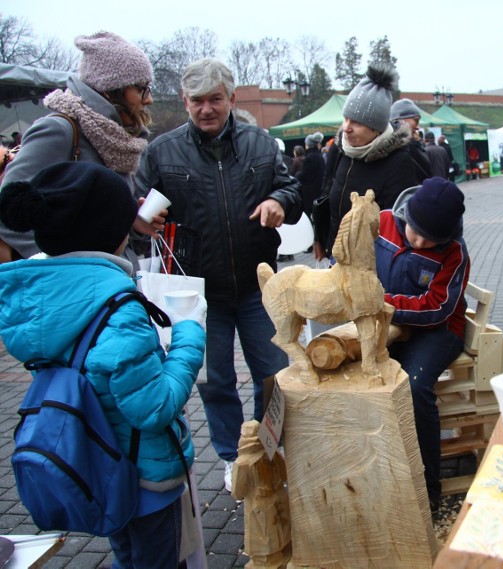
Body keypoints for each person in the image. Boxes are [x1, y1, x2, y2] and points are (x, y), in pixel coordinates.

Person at [0, 161, 206, 568]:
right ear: (109, 232)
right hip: (144, 477)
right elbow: (153, 407)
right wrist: (188, 334)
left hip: (96, 467)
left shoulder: (38, 300)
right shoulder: (118, 306)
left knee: (127, 555)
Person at [134, 58, 302, 493]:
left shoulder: (260, 144)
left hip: (256, 286)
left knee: (274, 370)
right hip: (195, 291)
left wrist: (280, 202)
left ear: (230, 98)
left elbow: (291, 190)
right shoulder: (162, 151)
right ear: (185, 102)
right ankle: (232, 455)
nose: (206, 108)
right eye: (197, 101)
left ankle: (272, 445)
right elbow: (136, 204)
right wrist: (142, 218)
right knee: (215, 379)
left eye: (215, 99)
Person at [0, 31, 163, 264]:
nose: (148, 99)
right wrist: (59, 263)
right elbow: (8, 211)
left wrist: (129, 221)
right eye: (141, 88)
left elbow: (88, 224)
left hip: (110, 279)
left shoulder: (115, 138)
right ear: (110, 88)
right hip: (72, 290)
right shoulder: (60, 130)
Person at [374, 177, 470, 515]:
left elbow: (439, 306)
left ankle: (428, 486)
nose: (420, 242)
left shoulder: (454, 252)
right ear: (406, 215)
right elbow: (352, 262)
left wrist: (383, 305)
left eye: (432, 239)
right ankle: (381, 469)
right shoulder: (382, 221)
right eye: (416, 231)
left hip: (439, 330)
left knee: (414, 386)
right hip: (386, 322)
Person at [312, 62, 419, 260]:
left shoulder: (398, 161)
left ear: (376, 128)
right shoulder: (341, 149)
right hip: (336, 256)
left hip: (370, 266)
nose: (346, 128)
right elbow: (327, 194)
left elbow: (397, 228)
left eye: (356, 122)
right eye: (346, 118)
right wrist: (320, 238)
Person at [390, 98, 430, 183]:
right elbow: (426, 173)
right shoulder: (407, 147)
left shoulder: (405, 145)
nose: (418, 127)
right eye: (416, 120)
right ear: (400, 119)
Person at [297, 132, 325, 220]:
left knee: (309, 216)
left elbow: (304, 175)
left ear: (308, 145)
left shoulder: (310, 157)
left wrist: (296, 175)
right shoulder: (319, 156)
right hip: (319, 189)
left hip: (309, 192)